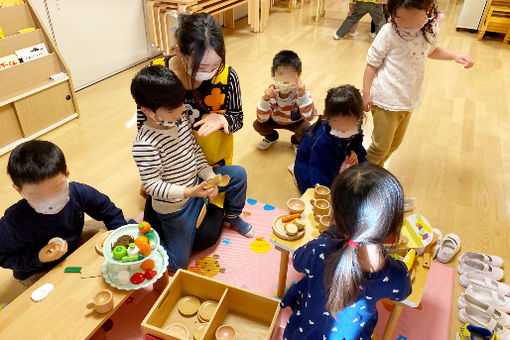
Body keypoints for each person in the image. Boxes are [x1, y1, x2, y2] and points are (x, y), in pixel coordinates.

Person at [136, 13, 247, 251]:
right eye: (202, 66)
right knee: (174, 234)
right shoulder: (158, 76)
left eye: (216, 64)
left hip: (210, 166)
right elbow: (142, 125)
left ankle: (217, 209)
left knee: (204, 237)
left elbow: (238, 118)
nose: (210, 71)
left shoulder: (227, 77)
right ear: (178, 52)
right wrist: (155, 178)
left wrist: (223, 117)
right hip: (172, 174)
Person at [131, 66, 253, 271]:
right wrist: (191, 192)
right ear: (147, 111)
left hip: (196, 187)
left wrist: (210, 178)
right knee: (177, 264)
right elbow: (152, 186)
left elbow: (195, 152)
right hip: (176, 208)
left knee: (239, 175)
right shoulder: (144, 144)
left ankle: (232, 216)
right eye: (171, 110)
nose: (180, 113)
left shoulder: (178, 120)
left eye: (180, 105)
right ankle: (149, 240)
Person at [282, 162, 412, 339]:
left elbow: (297, 260)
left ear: (337, 221)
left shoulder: (319, 250)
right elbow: (404, 293)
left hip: (306, 334)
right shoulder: (395, 274)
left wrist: (328, 234)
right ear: (391, 237)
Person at [363, 0, 474, 166]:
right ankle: (358, 178)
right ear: (392, 13)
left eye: (414, 21)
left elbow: (430, 51)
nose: (408, 28)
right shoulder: (388, 32)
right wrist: (366, 94)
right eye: (400, 20)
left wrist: (454, 55)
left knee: (393, 145)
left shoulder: (430, 29)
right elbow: (372, 64)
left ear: (428, 9)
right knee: (380, 147)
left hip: (409, 99)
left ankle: (376, 172)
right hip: (386, 99)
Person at [0, 141, 127, 286]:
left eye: (56, 189)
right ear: (18, 190)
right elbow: (3, 256)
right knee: (62, 294)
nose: (50, 202)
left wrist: (123, 241)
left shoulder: (78, 192)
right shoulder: (12, 224)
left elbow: (109, 211)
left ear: (67, 174)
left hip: (73, 242)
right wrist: (38, 258)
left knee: (117, 231)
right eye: (38, 196)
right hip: (37, 269)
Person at [293, 85, 367, 193]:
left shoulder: (355, 127)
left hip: (337, 160)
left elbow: (359, 149)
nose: (343, 128)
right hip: (313, 172)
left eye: (349, 122)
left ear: (359, 117)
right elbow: (319, 180)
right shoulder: (322, 142)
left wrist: (363, 166)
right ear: (327, 118)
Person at [254, 50, 317, 152]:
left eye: (291, 75)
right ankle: (271, 137)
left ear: (298, 76)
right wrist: (265, 100)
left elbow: (310, 117)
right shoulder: (269, 94)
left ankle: (296, 141)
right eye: (281, 74)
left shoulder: (302, 93)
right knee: (258, 125)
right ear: (273, 75)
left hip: (296, 122)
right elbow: (261, 119)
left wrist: (303, 96)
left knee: (306, 129)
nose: (285, 80)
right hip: (274, 120)